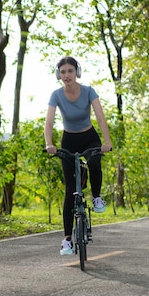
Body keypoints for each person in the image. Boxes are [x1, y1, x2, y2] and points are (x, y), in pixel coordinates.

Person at [44, 56, 112, 256]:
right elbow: (48, 122)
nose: (66, 75)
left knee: (94, 161)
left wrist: (106, 142)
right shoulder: (56, 95)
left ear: (77, 72)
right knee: (70, 190)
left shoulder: (89, 91)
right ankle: (67, 240)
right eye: (63, 72)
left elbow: (100, 116)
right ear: (59, 75)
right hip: (69, 141)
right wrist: (49, 144)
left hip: (89, 137)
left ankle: (97, 198)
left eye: (70, 71)